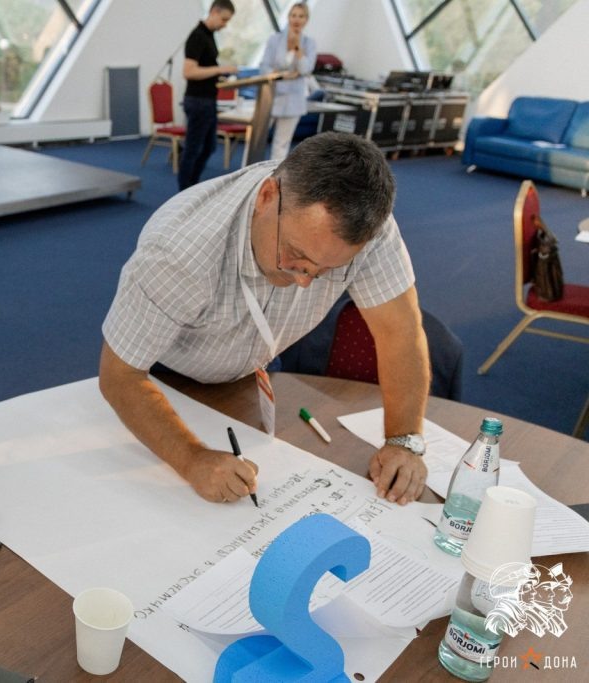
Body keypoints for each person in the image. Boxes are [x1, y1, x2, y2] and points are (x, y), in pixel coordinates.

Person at [99, 132, 430, 508]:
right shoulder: (178, 253)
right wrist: (192, 459)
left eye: (327, 270)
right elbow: (121, 375)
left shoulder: (366, 228)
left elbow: (400, 332)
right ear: (267, 196)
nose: (304, 282)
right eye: (296, 254)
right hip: (167, 377)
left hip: (254, 368)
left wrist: (404, 440)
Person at [178, 0, 238, 190]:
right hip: (198, 101)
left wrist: (218, 75)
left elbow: (205, 68)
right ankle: (185, 190)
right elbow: (189, 72)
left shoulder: (209, 35)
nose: (225, 24)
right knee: (193, 149)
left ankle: (192, 185)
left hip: (208, 100)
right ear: (214, 12)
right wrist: (220, 69)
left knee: (208, 147)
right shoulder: (197, 36)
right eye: (224, 19)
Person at [260, 2, 317, 160]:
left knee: (282, 144)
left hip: (293, 99)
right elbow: (264, 66)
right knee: (258, 139)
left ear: (306, 20)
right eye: (293, 15)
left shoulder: (309, 43)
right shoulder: (275, 40)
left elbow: (306, 70)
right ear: (288, 17)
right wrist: (277, 74)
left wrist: (298, 49)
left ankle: (275, 174)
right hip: (272, 95)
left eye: (301, 16)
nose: (296, 19)